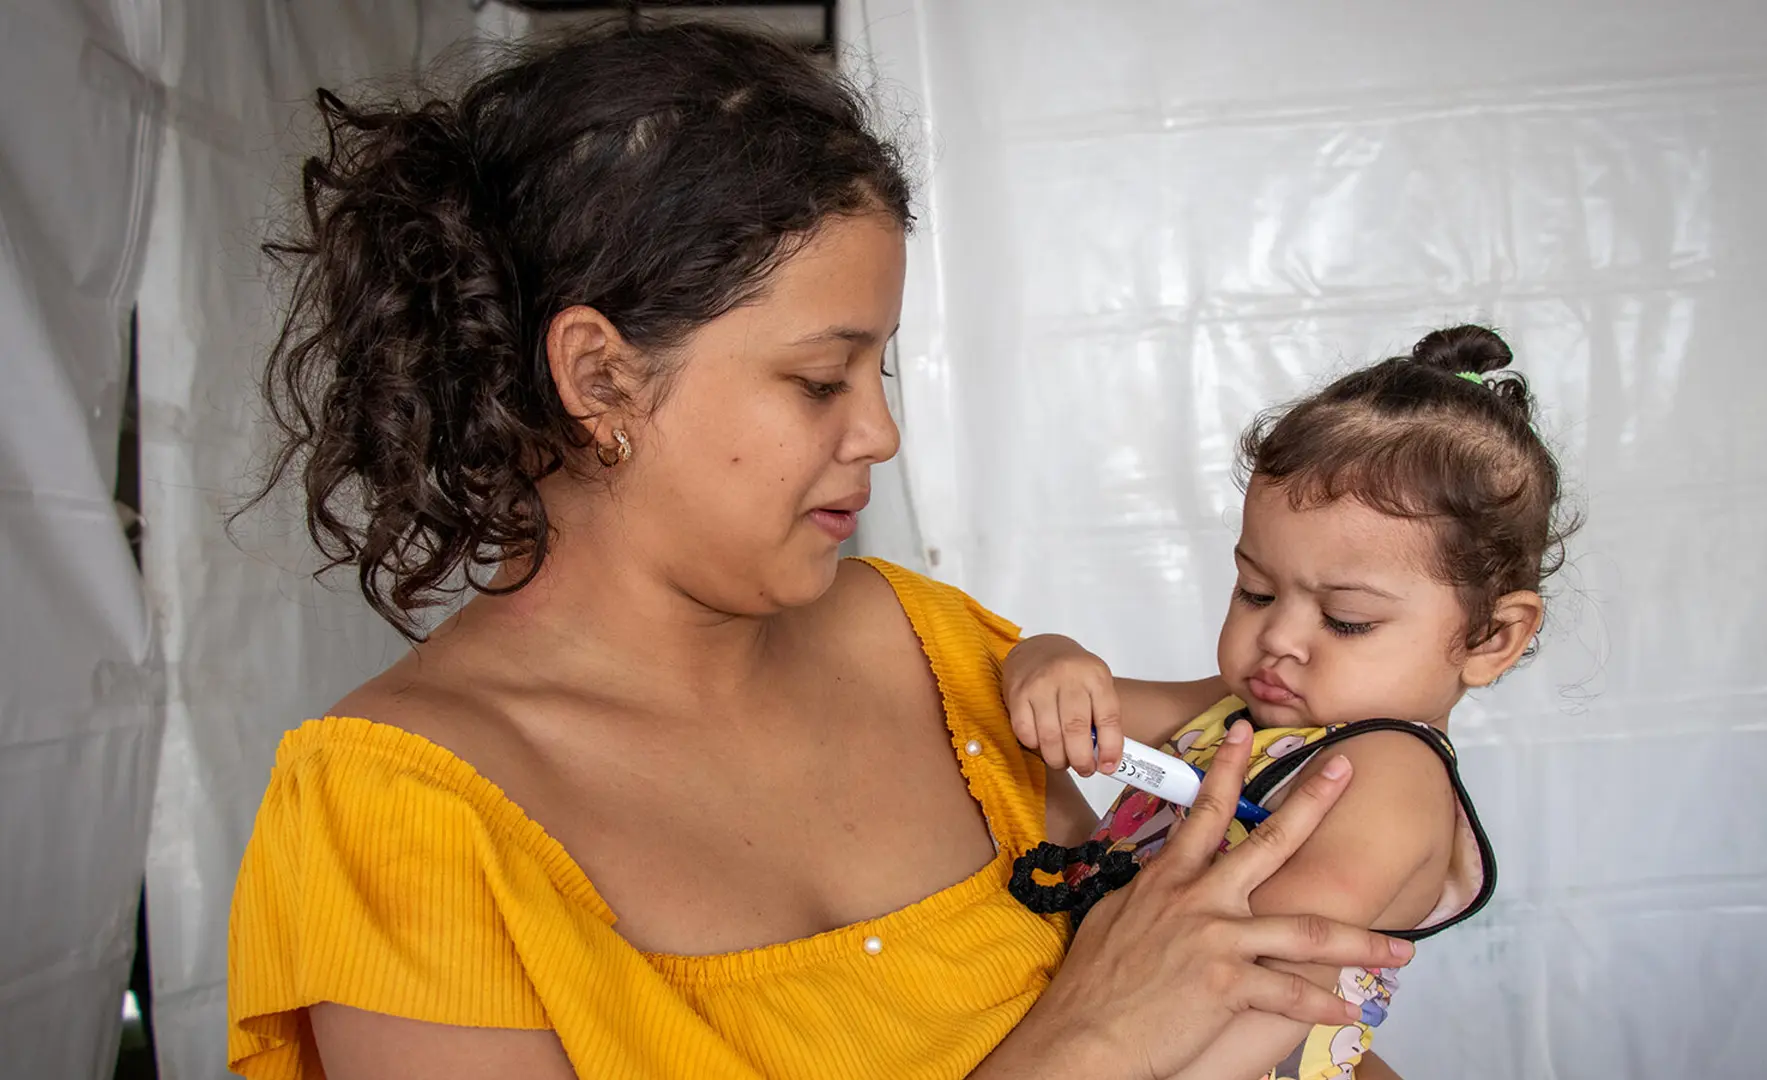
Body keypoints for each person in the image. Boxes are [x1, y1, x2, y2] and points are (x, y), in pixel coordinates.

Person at [223, 20, 1415, 1080]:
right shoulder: (399, 810)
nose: (879, 432)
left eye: (879, 369)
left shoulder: (924, 644)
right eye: (817, 378)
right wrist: (1093, 1042)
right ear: (600, 378)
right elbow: (1130, 1011)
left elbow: (1250, 990)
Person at [1003, 326, 1572, 1079]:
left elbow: (1259, 979)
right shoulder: (1244, 711)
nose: (1279, 639)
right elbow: (1080, 711)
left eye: (1347, 620)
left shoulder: (1388, 774)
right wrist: (1047, 657)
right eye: (1257, 591)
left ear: (1491, 637)